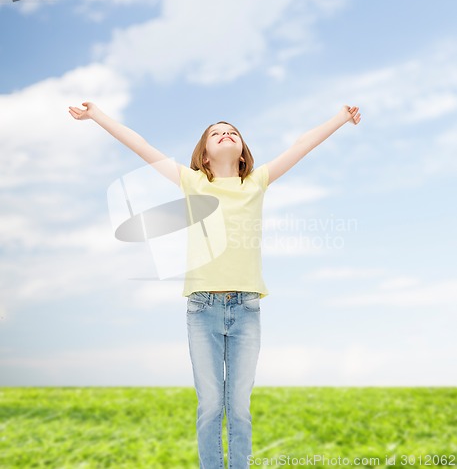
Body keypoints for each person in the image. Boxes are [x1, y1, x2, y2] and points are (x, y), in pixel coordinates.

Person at [69, 102, 361, 468]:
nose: (225, 134)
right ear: (204, 156)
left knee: (239, 407)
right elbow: (140, 145)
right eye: (215, 133)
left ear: (242, 155)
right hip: (202, 309)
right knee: (210, 405)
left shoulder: (256, 182)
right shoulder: (192, 183)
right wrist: (96, 115)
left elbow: (302, 145)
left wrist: (341, 118)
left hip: (247, 309)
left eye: (232, 132)